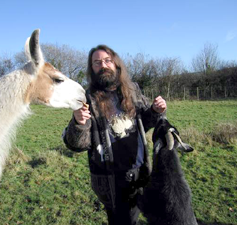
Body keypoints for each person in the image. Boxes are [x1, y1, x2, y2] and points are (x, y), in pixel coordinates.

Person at [62, 45, 167, 225]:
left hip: (141, 171)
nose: (103, 65)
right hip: (111, 181)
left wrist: (156, 111)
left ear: (116, 64)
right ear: (92, 69)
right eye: (97, 62)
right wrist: (79, 123)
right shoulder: (87, 99)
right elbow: (77, 145)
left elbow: (146, 122)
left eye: (107, 60)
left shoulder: (132, 90)